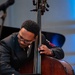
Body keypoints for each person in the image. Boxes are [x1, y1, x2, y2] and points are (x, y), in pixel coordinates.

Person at [0, 20, 64, 75]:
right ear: (19, 31)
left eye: (27, 41)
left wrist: (50, 52)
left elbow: (60, 51)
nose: (22, 42)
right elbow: (3, 66)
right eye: (20, 37)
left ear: (34, 39)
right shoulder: (6, 43)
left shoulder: (40, 39)